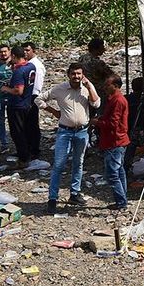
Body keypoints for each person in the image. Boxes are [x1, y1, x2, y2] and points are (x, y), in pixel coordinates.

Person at [42, 63, 100, 213]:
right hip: (64, 132)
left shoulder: (86, 89)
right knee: (59, 165)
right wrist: (53, 111)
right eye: (73, 74)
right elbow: (39, 99)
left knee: (78, 163)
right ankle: (52, 198)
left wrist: (89, 86)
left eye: (79, 74)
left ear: (83, 75)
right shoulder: (60, 89)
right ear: (68, 75)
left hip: (82, 132)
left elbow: (96, 103)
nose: (76, 77)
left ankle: (75, 193)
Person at [97, 74, 130, 210]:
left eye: (108, 85)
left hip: (114, 141)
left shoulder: (117, 101)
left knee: (112, 173)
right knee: (119, 171)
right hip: (118, 140)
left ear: (115, 86)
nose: (105, 88)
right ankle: (122, 199)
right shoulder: (115, 99)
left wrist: (98, 122)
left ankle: (121, 202)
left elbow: (113, 123)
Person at [1, 46, 37, 166]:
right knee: (26, 130)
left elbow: (18, 90)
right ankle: (28, 152)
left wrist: (6, 88)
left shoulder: (18, 72)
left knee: (17, 132)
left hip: (17, 105)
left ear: (14, 56)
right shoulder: (31, 66)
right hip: (27, 103)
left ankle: (23, 158)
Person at [0, 45, 9, 154]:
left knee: (15, 121)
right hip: (0, 98)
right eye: (1, 52)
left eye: (5, 51)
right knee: (0, 121)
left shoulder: (15, 65)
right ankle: (4, 143)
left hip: (14, 98)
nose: (3, 54)